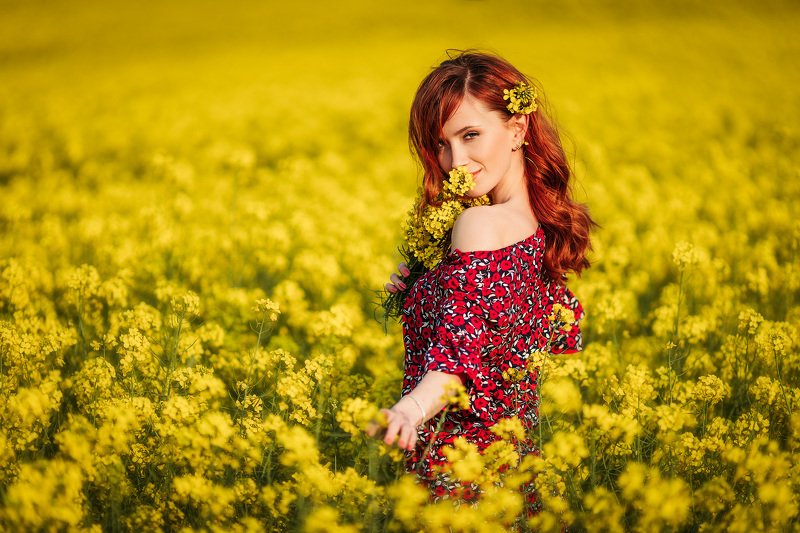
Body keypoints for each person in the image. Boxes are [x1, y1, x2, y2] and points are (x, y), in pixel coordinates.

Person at [367, 50, 596, 519]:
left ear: (518, 128)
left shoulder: (479, 225)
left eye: (470, 135)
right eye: (443, 144)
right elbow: (547, 336)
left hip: (461, 468)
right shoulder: (540, 228)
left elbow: (457, 356)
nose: (456, 161)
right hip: (511, 469)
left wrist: (410, 410)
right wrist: (425, 290)